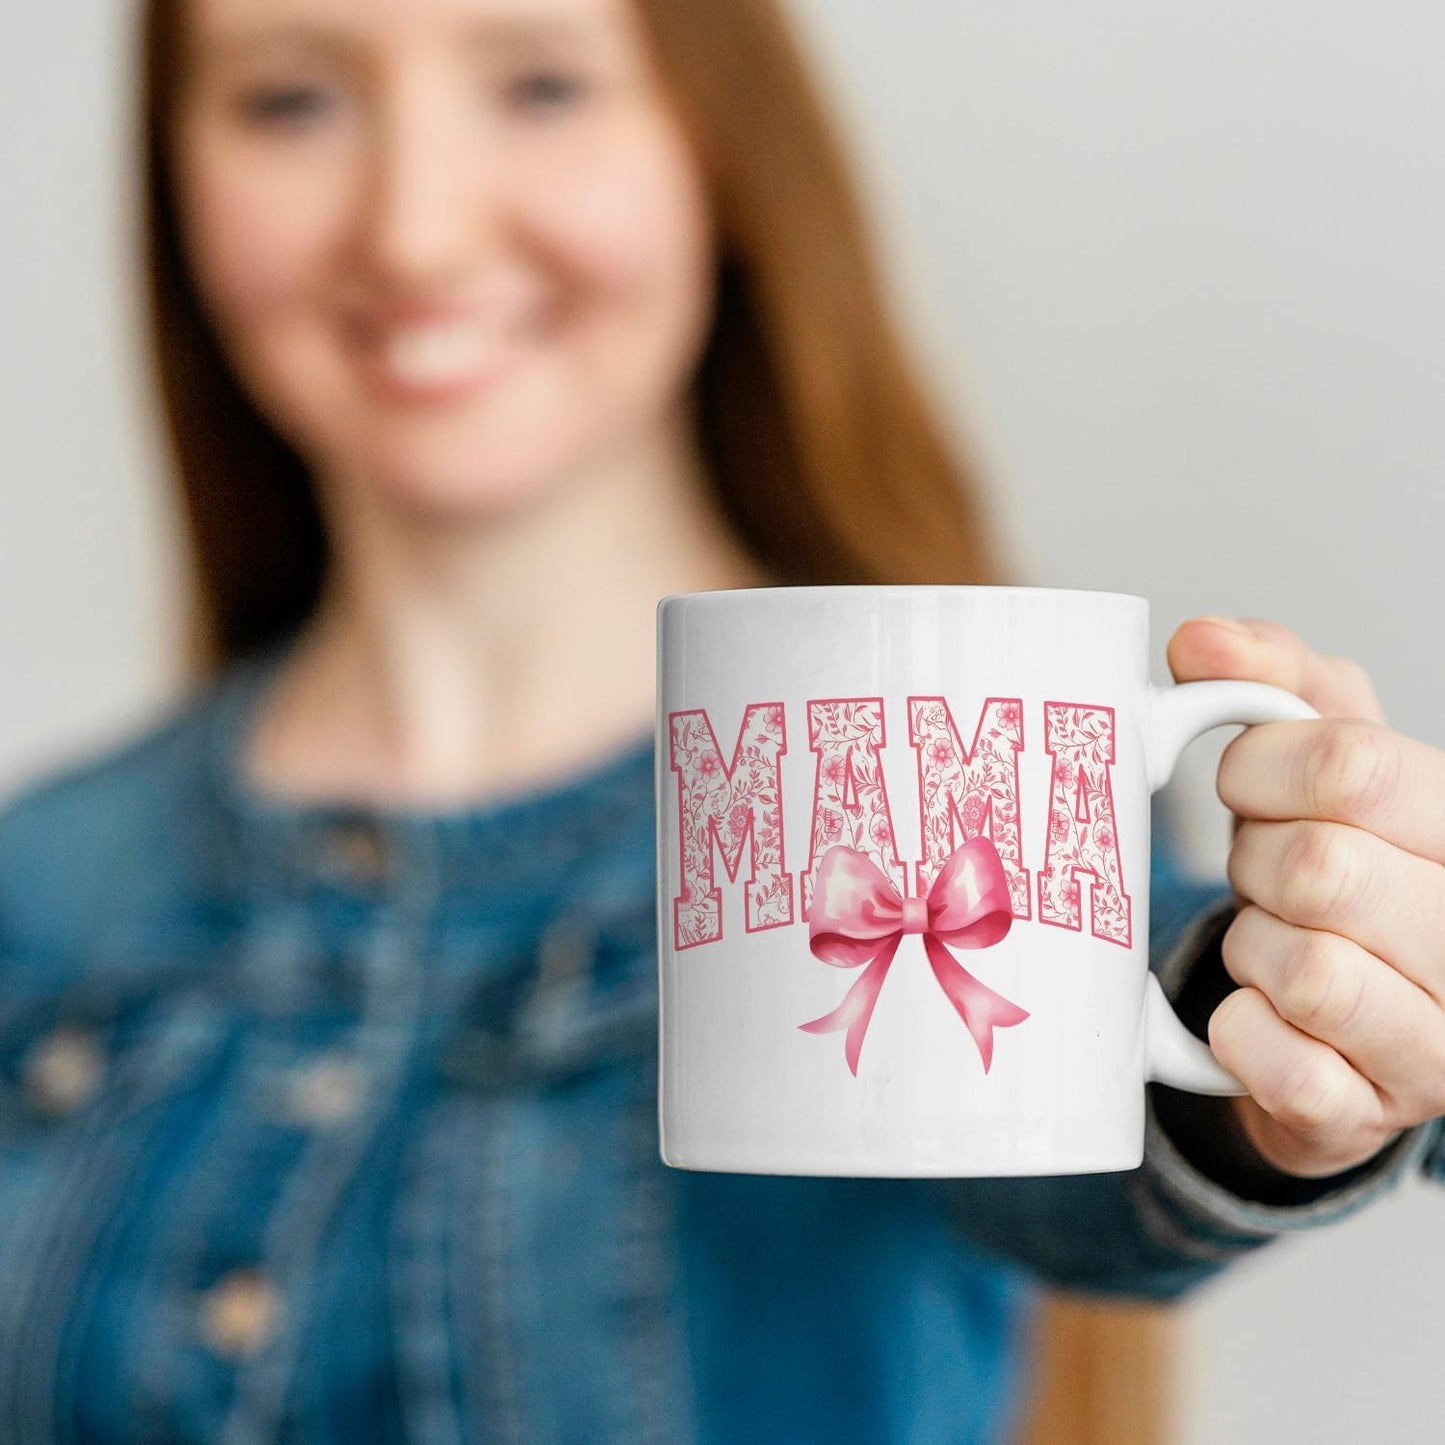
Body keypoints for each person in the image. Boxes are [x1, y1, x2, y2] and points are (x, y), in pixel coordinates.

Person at [1, 0, 1442, 1438]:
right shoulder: (48, 876)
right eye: (290, 103)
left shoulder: (921, 758)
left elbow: (1096, 1142)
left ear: (717, 142)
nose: (414, 229)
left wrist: (1285, 1037)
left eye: (542, 84)